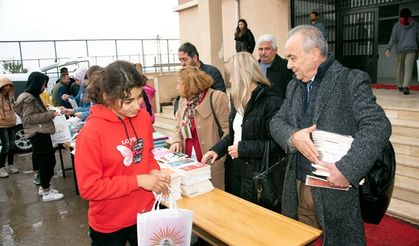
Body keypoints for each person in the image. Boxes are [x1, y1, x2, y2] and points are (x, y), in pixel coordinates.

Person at [269, 25, 391, 245]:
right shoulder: (294, 86)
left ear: (314, 53)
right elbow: (276, 122)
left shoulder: (350, 80)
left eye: (293, 58)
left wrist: (347, 169)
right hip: (299, 187)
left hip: (335, 193)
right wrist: (293, 136)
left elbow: (378, 125)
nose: (288, 65)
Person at [75, 61, 171, 245]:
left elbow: (148, 154)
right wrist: (138, 181)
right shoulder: (91, 133)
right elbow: (89, 188)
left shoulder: (142, 118)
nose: (137, 106)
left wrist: (153, 171)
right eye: (128, 101)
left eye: (139, 97)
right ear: (107, 96)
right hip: (109, 222)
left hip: (145, 213)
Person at [201, 52, 284, 211]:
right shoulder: (237, 98)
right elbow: (234, 136)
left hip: (258, 175)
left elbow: (277, 144)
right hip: (236, 171)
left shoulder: (271, 100)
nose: (230, 80)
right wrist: (217, 150)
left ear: (242, 75)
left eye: (231, 75)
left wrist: (243, 149)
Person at [169, 66, 230, 189]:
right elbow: (177, 126)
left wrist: (220, 157)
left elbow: (228, 131)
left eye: (179, 83)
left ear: (189, 84)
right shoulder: (183, 100)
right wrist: (176, 140)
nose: (177, 87)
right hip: (187, 161)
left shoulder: (217, 98)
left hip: (210, 161)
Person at [14, 72, 65, 202]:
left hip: (40, 131)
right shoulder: (28, 98)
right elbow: (28, 118)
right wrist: (50, 115)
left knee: (46, 160)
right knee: (47, 162)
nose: (44, 86)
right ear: (36, 83)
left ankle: (44, 187)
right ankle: (47, 192)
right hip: (39, 133)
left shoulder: (32, 95)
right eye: (43, 83)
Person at [175, 42, 226, 114]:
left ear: (195, 58)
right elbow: (178, 99)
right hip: (189, 120)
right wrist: (178, 114)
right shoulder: (183, 76)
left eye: (185, 59)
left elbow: (221, 97)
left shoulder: (212, 72)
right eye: (180, 60)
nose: (182, 64)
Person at [385, 8, 419, 95]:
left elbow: (393, 38)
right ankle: (406, 87)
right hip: (411, 50)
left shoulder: (397, 25)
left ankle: (400, 85)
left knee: (399, 68)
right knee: (408, 68)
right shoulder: (415, 25)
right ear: (410, 16)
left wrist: (389, 48)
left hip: (400, 50)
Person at [257, 34, 293, 99]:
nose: (263, 53)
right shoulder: (254, 67)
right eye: (260, 49)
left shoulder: (287, 67)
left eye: (267, 49)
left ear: (275, 50)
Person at [0, 77, 19, 178]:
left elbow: (14, 107)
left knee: (12, 145)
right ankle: (1, 167)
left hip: (12, 123)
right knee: (6, 145)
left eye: (9, 85)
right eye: (5, 85)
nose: (7, 87)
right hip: (2, 124)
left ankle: (11, 165)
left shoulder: (10, 96)